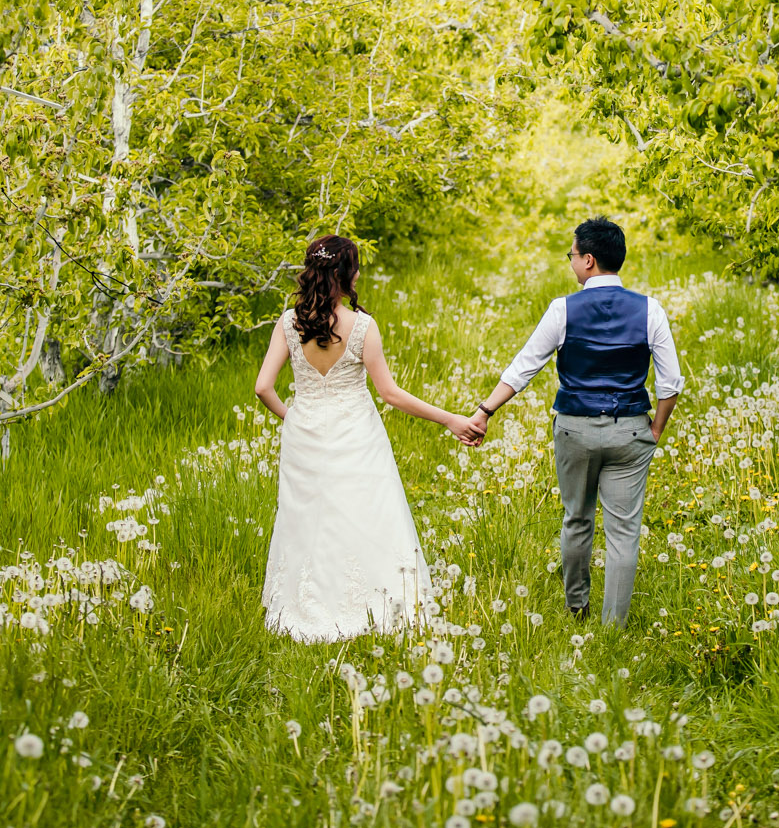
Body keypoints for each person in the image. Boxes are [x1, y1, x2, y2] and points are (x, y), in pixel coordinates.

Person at [252, 234, 476, 643]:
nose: (358, 274)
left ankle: (304, 602)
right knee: (363, 514)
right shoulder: (363, 327)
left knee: (307, 521)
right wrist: (449, 419)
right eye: (355, 268)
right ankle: (370, 601)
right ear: (345, 274)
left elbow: (263, 387)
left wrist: (294, 418)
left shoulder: (288, 323)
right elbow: (389, 394)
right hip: (355, 431)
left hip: (303, 434)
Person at [465, 216, 683, 625]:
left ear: (588, 260)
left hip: (575, 429)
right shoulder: (650, 309)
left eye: (572, 255)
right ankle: (613, 626)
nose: (571, 263)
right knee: (623, 533)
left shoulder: (562, 309)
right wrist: (654, 429)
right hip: (630, 429)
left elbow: (523, 368)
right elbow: (670, 384)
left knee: (577, 518)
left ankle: (576, 607)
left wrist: (485, 410)